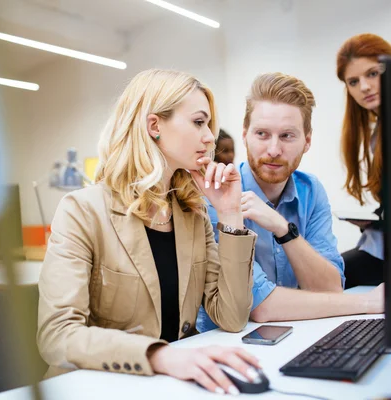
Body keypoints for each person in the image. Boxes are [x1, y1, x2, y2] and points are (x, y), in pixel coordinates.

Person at [37, 69, 261, 395]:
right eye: (199, 122)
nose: (211, 137)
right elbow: (57, 335)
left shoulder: (193, 215)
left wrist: (229, 213)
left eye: (209, 125)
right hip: (95, 388)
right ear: (154, 126)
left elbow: (232, 317)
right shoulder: (83, 210)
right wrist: (159, 356)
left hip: (166, 387)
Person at [197, 72, 384, 332]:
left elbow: (330, 288)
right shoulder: (218, 195)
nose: (274, 150)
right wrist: (366, 302)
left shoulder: (311, 190)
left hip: (292, 337)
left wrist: (284, 230)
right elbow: (260, 307)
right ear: (245, 135)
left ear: (307, 141)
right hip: (222, 345)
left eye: (287, 136)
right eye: (262, 134)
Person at [336, 33, 391, 288]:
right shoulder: (376, 135)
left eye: (373, 73)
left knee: (331, 277)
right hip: (384, 245)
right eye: (353, 81)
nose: (365, 87)